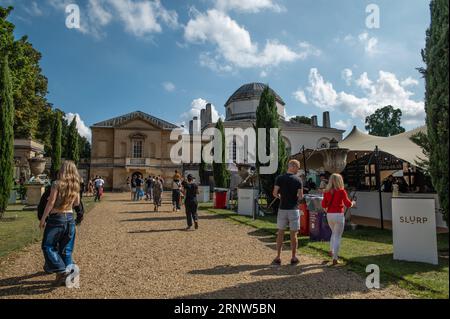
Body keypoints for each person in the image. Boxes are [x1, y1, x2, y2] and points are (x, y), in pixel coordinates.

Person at [39, 161, 80, 285]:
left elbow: (50, 203)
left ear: (63, 170)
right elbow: (77, 203)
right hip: (70, 218)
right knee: (66, 250)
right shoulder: (75, 185)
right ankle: (69, 279)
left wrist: (42, 219)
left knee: (48, 246)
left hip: (57, 218)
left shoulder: (56, 184)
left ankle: (62, 271)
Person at [272, 159, 304, 266]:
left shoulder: (279, 178)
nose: (297, 170)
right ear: (293, 166)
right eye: (297, 168)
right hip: (294, 209)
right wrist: (296, 198)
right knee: (293, 234)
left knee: (280, 232)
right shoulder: (298, 180)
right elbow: (300, 196)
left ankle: (278, 257)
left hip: (282, 208)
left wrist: (280, 196)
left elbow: (275, 193)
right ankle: (294, 257)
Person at [321, 173, 356, 266]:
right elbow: (348, 204)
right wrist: (353, 202)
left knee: (333, 233)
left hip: (329, 215)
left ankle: (331, 250)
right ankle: (335, 258)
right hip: (338, 215)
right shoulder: (341, 191)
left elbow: (323, 204)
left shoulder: (326, 191)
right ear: (340, 181)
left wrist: (327, 208)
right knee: (337, 236)